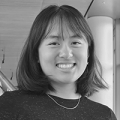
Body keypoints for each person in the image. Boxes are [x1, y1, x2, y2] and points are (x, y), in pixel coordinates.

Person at [0, 5, 117, 120]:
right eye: (54, 43)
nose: (66, 54)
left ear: (88, 53)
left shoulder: (105, 115)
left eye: (75, 42)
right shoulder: (10, 105)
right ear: (36, 54)